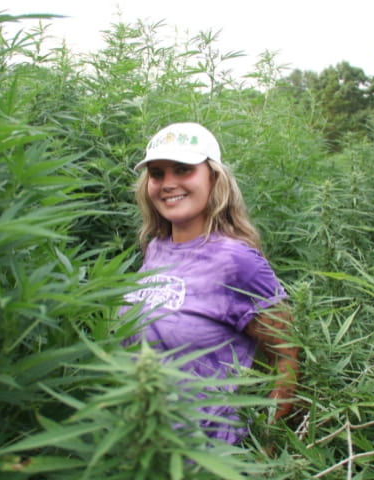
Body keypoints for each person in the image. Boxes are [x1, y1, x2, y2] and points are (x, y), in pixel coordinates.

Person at [121, 122, 299, 445]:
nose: (167, 183)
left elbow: (286, 356)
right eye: (157, 174)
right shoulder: (156, 250)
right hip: (143, 450)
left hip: (205, 458)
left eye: (183, 169)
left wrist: (265, 444)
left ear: (213, 177)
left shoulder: (237, 262)